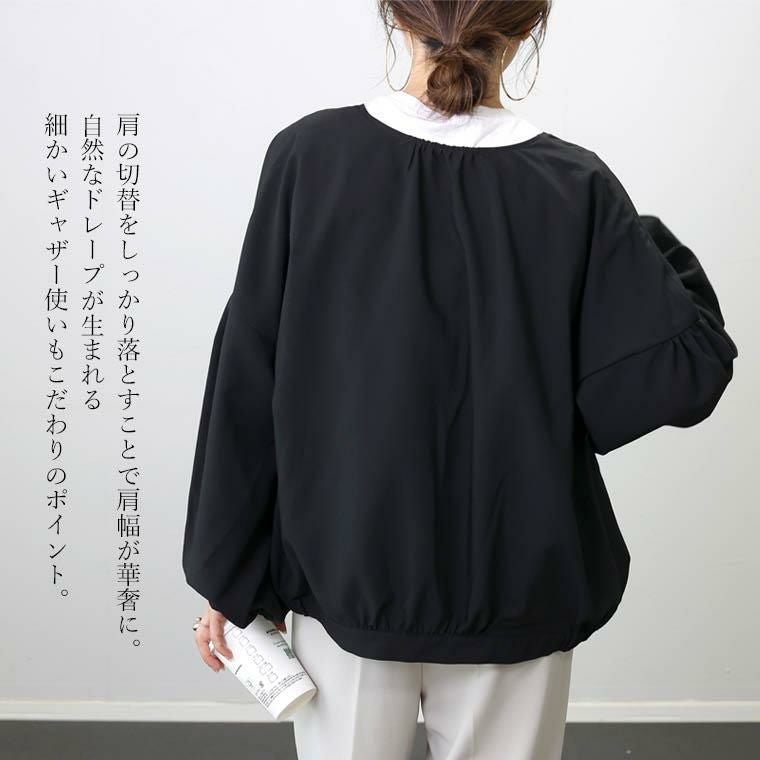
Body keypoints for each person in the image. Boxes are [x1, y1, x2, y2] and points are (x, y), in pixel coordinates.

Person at [182, 1, 738, 758]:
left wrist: (230, 579)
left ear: (395, 17)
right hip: (517, 588)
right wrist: (633, 242)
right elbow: (677, 376)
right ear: (530, 26)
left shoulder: (308, 157)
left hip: (343, 577)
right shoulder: (575, 185)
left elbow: (247, 382)